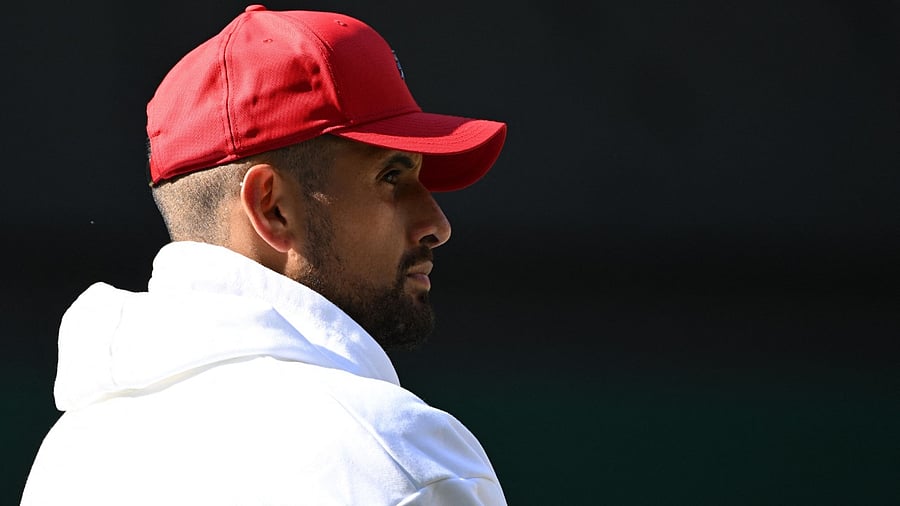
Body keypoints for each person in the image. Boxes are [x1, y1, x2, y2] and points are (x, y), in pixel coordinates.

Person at [21, 5, 507, 505]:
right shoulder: (396, 455)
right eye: (391, 177)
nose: (437, 226)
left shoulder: (70, 455)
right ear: (272, 208)